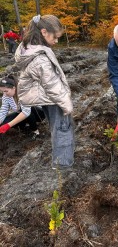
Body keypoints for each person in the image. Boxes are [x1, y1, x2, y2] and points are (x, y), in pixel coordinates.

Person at [13, 14, 75, 169]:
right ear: (44, 32)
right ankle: (62, 164)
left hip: (47, 98)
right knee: (63, 128)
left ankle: (61, 160)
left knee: (57, 127)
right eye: (56, 37)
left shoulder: (32, 48)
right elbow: (52, 85)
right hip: (53, 99)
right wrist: (66, 104)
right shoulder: (40, 58)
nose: (56, 41)